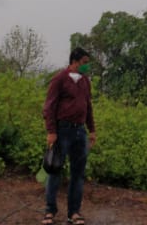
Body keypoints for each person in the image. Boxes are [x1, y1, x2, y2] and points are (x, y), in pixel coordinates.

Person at [42, 46, 97, 225]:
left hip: (80, 131)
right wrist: (51, 131)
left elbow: (88, 107)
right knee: (55, 170)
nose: (86, 67)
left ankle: (74, 212)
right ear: (75, 61)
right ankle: (50, 211)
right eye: (84, 63)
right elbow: (49, 106)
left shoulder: (85, 81)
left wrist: (92, 130)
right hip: (62, 130)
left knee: (78, 174)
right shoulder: (60, 79)